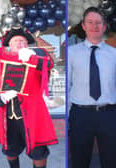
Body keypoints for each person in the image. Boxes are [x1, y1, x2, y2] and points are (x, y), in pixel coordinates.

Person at [0, 27, 58, 168]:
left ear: (27, 44)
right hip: (9, 117)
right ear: (10, 45)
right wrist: (2, 98)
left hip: (33, 115)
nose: (19, 43)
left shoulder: (37, 55)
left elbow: (48, 65)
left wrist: (32, 57)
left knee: (38, 151)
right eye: (15, 41)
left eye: (22, 40)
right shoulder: (0, 63)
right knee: (10, 150)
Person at [68, 7, 116, 168]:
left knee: (111, 161)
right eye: (90, 22)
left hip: (109, 114)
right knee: (79, 161)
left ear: (104, 26)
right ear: (83, 25)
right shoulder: (71, 53)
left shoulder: (114, 54)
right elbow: (67, 85)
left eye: (98, 23)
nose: (94, 26)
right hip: (81, 115)